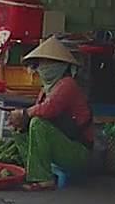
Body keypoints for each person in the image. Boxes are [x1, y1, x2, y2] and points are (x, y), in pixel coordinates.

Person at [7, 37, 92, 191]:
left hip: (79, 151)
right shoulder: (47, 89)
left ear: (59, 66)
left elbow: (49, 108)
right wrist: (20, 120)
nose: (42, 68)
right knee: (19, 130)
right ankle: (32, 172)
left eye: (47, 63)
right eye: (41, 63)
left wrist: (24, 113)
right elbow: (40, 110)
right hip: (61, 141)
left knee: (37, 124)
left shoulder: (67, 85)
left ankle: (44, 179)